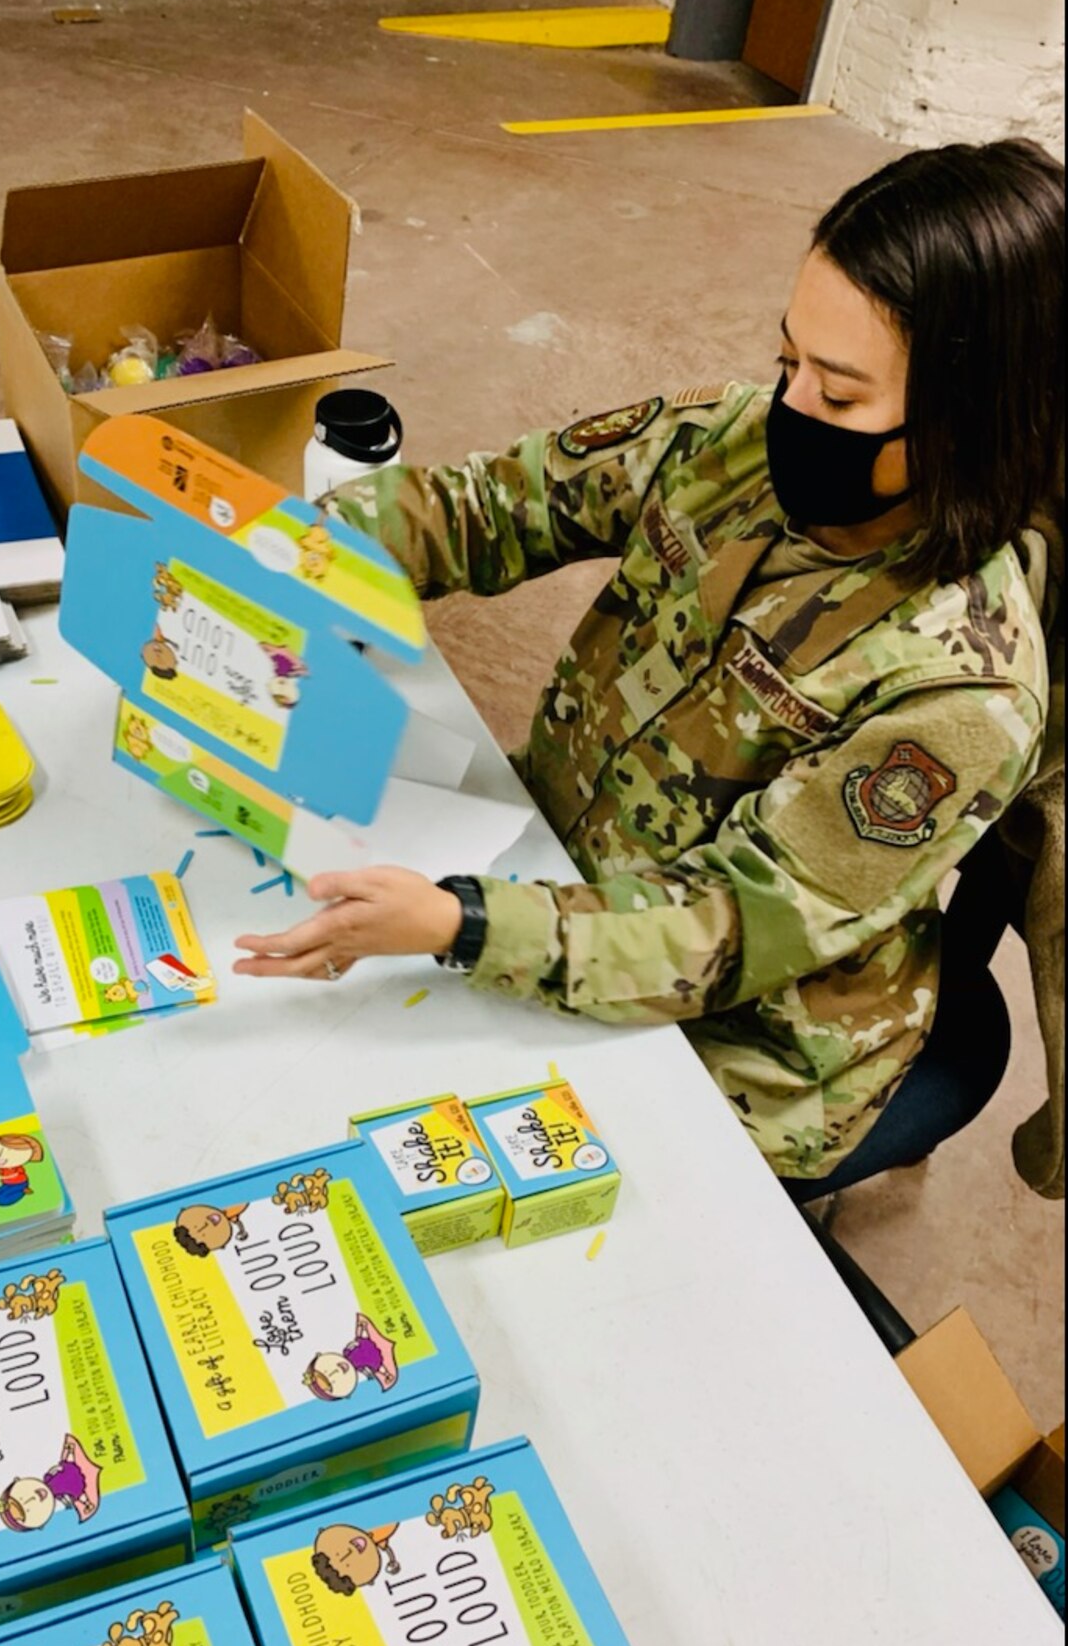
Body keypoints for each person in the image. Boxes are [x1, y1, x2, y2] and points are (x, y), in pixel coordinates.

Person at [234, 141, 1063, 1195]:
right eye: (788, 359)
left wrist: (463, 922)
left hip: (739, 1040)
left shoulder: (961, 691)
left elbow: (725, 926)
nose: (792, 410)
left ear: (972, 422)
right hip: (559, 859)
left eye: (843, 397)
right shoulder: (728, 441)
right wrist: (293, 552)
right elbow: (494, 507)